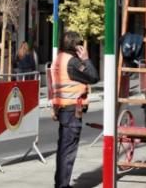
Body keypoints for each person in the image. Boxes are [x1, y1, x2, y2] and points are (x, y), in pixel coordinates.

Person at [51, 31, 99, 188]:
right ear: (77, 46)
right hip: (71, 111)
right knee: (68, 151)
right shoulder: (72, 63)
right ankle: (62, 186)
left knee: (63, 150)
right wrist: (85, 59)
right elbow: (93, 77)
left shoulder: (59, 59)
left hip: (63, 109)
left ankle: (61, 183)